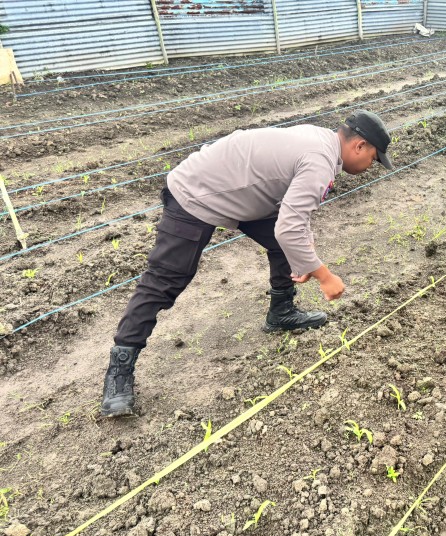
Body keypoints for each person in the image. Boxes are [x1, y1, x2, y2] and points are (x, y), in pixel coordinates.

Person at [101, 110, 393, 417]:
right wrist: (324, 276)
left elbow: (295, 221)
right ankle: (119, 370)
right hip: (198, 193)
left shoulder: (322, 142)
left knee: (287, 245)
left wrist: (304, 257)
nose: (370, 166)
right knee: (166, 280)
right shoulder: (319, 160)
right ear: (359, 146)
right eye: (373, 159)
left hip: (238, 192)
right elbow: (289, 228)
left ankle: (281, 312)